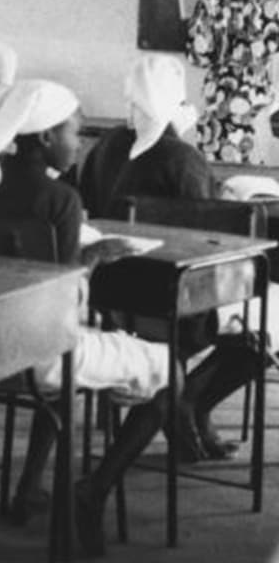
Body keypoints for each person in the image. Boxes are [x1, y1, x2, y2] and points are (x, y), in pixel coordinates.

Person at [0, 78, 176, 555]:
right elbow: (63, 298)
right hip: (40, 354)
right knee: (169, 371)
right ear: (47, 136)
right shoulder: (60, 201)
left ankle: (28, 488)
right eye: (75, 132)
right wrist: (94, 257)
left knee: (64, 381)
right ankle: (93, 492)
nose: (80, 143)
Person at [80, 55, 265, 466]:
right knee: (266, 329)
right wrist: (231, 202)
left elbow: (90, 210)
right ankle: (192, 401)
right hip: (177, 301)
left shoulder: (106, 146)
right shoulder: (183, 158)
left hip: (111, 297)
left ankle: (185, 403)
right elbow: (212, 236)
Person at [186, 0, 279, 164]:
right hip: (257, 109)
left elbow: (199, 58)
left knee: (218, 184)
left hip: (218, 108)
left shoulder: (207, 5)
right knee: (256, 184)